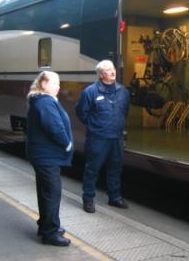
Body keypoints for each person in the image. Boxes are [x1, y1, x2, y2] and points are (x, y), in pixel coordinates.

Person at [75, 60, 130, 213]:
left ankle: (114, 197)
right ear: (100, 74)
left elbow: (125, 112)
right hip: (98, 137)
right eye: (107, 70)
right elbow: (81, 112)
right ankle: (88, 199)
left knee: (115, 167)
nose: (112, 72)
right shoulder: (90, 92)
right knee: (92, 168)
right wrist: (94, 125)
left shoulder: (123, 91)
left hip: (116, 137)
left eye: (113, 69)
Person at [26, 71, 73, 246]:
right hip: (47, 156)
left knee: (45, 192)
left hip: (44, 155)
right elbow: (54, 127)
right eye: (55, 83)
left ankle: (46, 225)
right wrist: (67, 144)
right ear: (44, 84)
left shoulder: (41, 101)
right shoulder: (45, 102)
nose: (59, 86)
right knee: (52, 193)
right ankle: (51, 233)